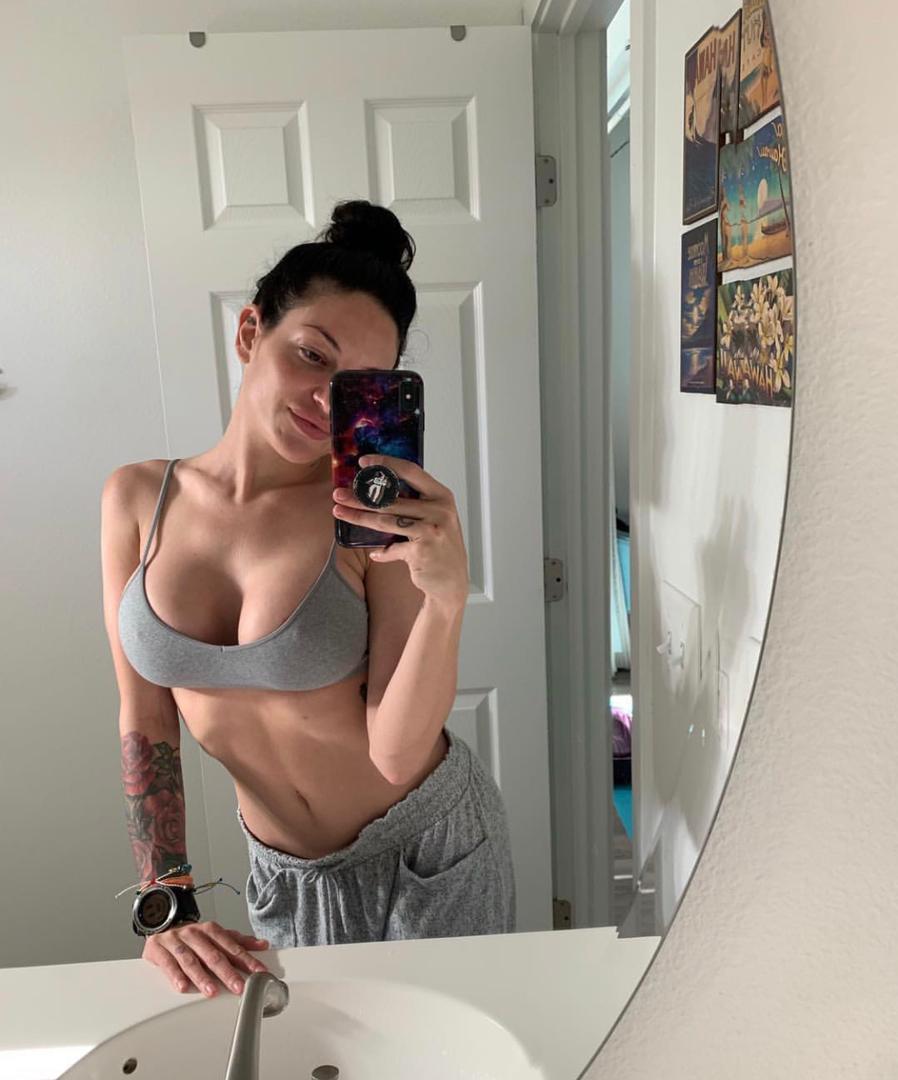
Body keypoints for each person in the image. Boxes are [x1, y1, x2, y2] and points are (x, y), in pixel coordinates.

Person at [100, 200, 516, 1000]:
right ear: (250, 332)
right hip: (284, 874)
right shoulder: (136, 500)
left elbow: (396, 753)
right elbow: (146, 715)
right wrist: (166, 899)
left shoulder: (368, 511)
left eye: (356, 385)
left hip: (427, 849)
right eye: (312, 355)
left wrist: (446, 602)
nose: (327, 401)